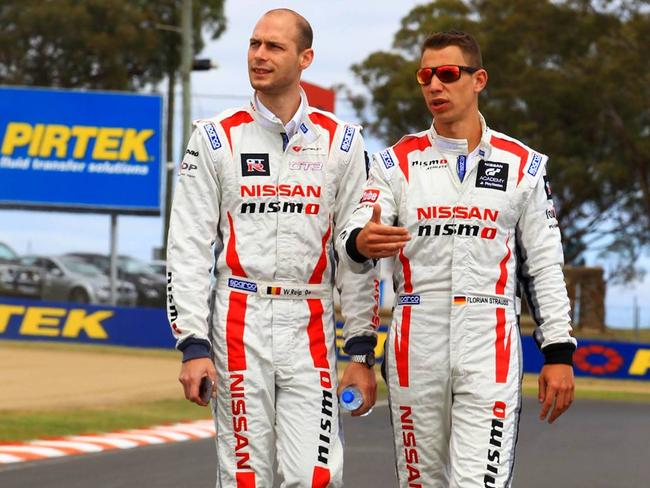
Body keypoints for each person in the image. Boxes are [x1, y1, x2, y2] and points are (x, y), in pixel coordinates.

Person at [337, 30, 577, 487]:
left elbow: (544, 266)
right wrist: (361, 244)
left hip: (490, 341)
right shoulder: (393, 163)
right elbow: (355, 242)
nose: (434, 85)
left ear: (478, 79)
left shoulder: (524, 166)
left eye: (447, 74)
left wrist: (559, 352)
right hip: (415, 340)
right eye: (425, 76)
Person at [166, 9, 378, 488]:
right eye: (254, 44)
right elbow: (188, 247)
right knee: (246, 479)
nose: (259, 55)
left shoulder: (343, 143)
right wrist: (192, 344)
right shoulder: (215, 137)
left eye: (274, 47)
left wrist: (361, 351)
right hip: (239, 318)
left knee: (317, 477)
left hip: (311, 322)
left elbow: (357, 258)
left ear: (305, 58)